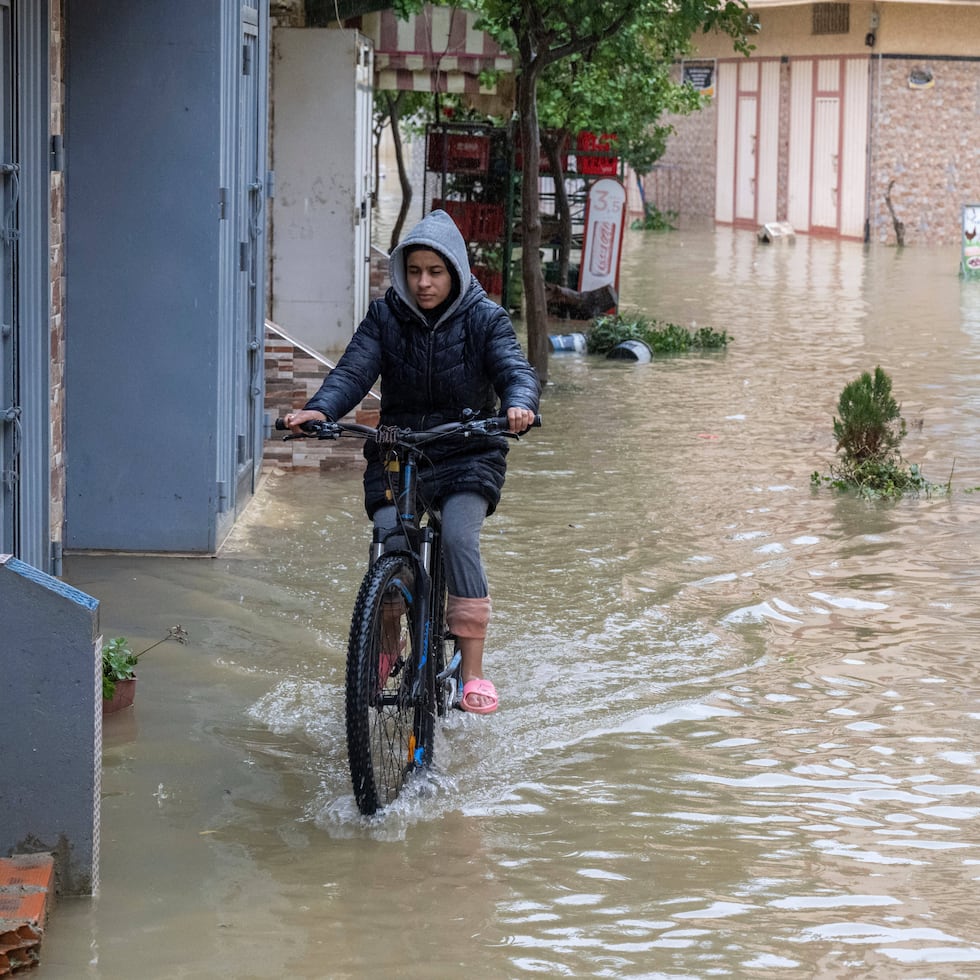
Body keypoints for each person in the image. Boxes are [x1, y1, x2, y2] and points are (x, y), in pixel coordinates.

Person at [285, 209, 540, 714]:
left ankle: (472, 672)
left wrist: (520, 403)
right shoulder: (385, 316)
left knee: (459, 538)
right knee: (388, 543)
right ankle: (385, 646)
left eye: (435, 272)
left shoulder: (486, 318)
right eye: (415, 271)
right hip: (399, 451)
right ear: (403, 271)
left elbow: (515, 368)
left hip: (468, 449)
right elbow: (353, 371)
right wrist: (320, 408)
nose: (423, 283)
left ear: (456, 272)